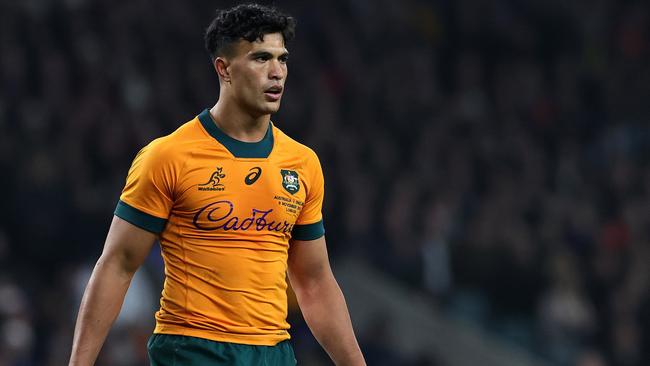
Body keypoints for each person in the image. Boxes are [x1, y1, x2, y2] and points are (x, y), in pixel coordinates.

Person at [68, 4, 366, 366]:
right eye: (260, 59)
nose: (277, 73)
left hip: (273, 355)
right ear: (223, 68)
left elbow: (315, 282)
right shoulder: (168, 157)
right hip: (192, 350)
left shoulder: (302, 164)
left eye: (282, 59)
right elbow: (118, 264)